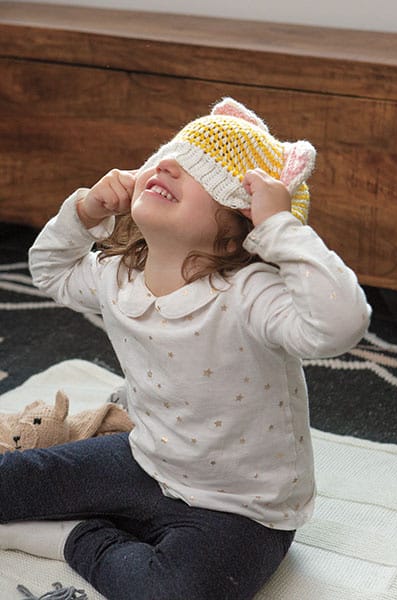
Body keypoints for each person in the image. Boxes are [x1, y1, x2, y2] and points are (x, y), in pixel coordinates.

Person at [0, 97, 371, 600]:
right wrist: (86, 208)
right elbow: (48, 270)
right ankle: (115, 521)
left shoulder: (250, 295)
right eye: (169, 155)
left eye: (201, 171)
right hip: (145, 461)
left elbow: (343, 322)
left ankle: (75, 536)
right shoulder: (119, 276)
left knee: (175, 592)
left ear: (241, 229)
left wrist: (280, 226)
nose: (169, 164)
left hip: (243, 509)